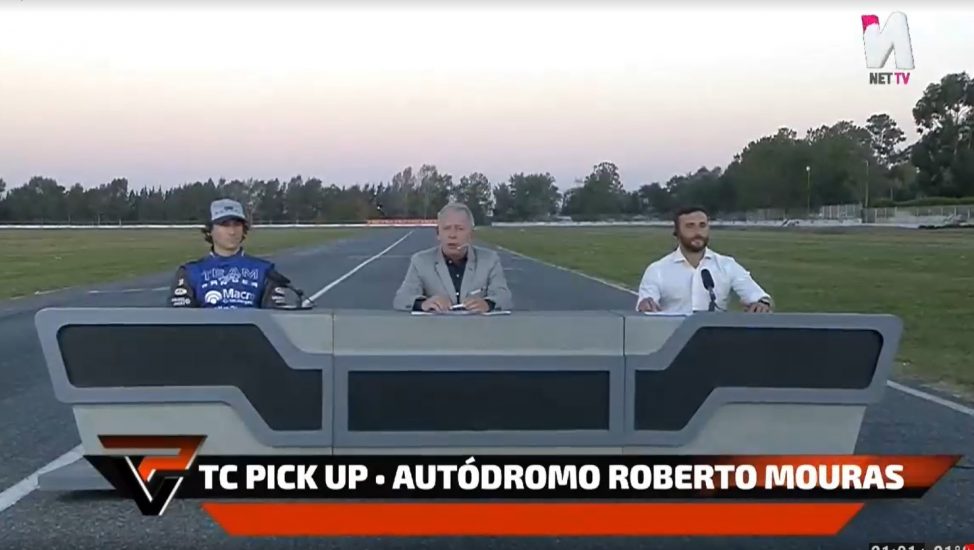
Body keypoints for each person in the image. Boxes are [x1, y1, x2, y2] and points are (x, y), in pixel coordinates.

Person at [636, 205, 773, 314]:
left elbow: (757, 294)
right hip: (673, 338)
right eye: (690, 226)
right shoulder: (657, 270)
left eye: (702, 225)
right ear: (676, 232)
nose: (697, 232)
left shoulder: (727, 265)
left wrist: (762, 303)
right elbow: (646, 303)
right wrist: (646, 304)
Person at [168, 198, 294, 309]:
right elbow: (180, 319)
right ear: (210, 230)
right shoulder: (190, 272)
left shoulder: (266, 271)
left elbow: (275, 316)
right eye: (225, 225)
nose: (232, 232)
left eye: (237, 225)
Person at [393, 202, 513, 313]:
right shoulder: (420, 261)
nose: (452, 235)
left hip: (477, 327)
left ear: (471, 234)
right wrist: (423, 304)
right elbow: (401, 299)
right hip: (435, 327)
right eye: (446, 228)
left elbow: (504, 297)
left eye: (459, 229)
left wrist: (488, 304)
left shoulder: (490, 260)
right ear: (438, 234)